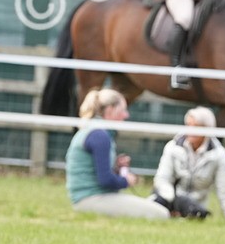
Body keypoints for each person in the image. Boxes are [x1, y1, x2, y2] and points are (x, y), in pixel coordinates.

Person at [65, 88, 169, 219]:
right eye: (123, 110)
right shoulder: (99, 135)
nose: (126, 115)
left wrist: (116, 167)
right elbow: (105, 180)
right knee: (161, 214)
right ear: (110, 110)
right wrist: (126, 181)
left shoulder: (94, 130)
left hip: (88, 198)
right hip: (91, 199)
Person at [152, 107, 225, 225]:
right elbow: (161, 179)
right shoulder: (172, 147)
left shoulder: (219, 155)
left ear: (207, 129)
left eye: (196, 126)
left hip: (196, 208)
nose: (190, 130)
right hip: (169, 200)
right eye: (188, 125)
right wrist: (172, 199)